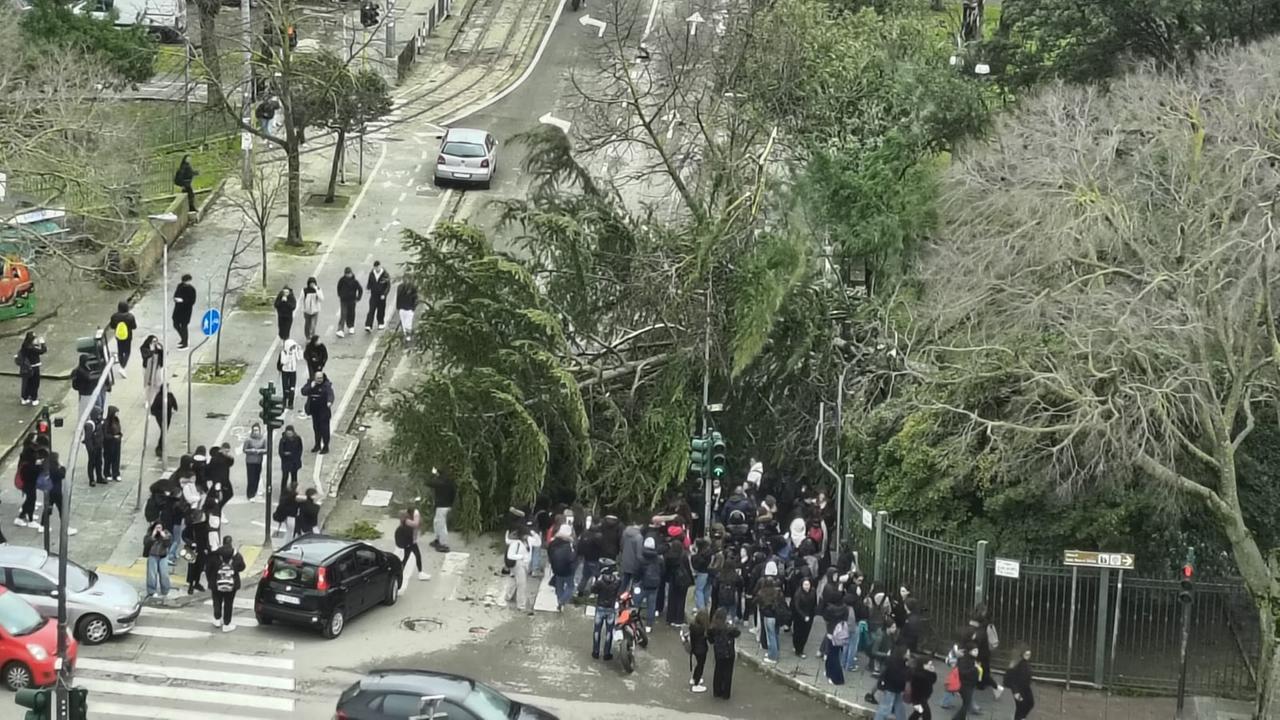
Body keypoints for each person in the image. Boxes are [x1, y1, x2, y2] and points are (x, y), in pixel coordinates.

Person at [206, 536, 246, 632]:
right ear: (231, 543)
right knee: (228, 603)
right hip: (231, 584)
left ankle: (217, 619)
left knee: (217, 600)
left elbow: (208, 569)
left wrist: (210, 580)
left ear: (222, 543)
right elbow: (242, 567)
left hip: (216, 582)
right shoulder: (236, 555)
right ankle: (226, 624)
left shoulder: (215, 555)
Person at [39, 452, 75, 536]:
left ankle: (43, 525)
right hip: (56, 491)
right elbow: (62, 475)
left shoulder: (46, 467)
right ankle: (66, 528)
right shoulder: (55, 468)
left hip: (49, 490)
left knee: (48, 507)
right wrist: (62, 467)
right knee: (62, 509)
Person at [708, 608, 741, 699]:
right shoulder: (729, 628)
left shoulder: (713, 628)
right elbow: (737, 633)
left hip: (718, 652)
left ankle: (717, 691)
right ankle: (726, 693)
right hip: (729, 653)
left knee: (718, 671)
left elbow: (710, 640)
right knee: (728, 673)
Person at [591, 558, 620, 660]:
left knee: (597, 631)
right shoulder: (617, 581)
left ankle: (595, 652)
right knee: (609, 631)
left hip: (600, 608)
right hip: (611, 609)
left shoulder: (600, 581)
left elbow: (593, 590)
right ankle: (607, 653)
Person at [15, 434, 45, 529]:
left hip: (29, 483)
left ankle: (24, 515)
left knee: (30, 499)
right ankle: (28, 519)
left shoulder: (28, 460)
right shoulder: (28, 465)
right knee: (31, 499)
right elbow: (32, 471)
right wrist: (39, 466)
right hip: (29, 483)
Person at [873, 644, 910, 720]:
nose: (909, 654)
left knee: (899, 707)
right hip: (891, 688)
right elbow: (898, 677)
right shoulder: (897, 664)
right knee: (885, 708)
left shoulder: (901, 662)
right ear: (903, 654)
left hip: (896, 689)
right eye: (908, 653)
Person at [504, 520, 533, 615]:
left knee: (515, 581)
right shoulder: (518, 543)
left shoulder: (519, 541)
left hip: (519, 564)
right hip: (519, 564)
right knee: (522, 584)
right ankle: (521, 605)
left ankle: (508, 596)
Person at [300, 372, 334, 453]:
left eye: (321, 378)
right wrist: (310, 387)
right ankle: (317, 445)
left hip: (324, 410)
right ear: (314, 378)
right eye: (318, 378)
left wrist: (329, 402)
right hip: (314, 410)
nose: (319, 380)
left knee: (324, 429)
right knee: (316, 428)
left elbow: (330, 394)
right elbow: (303, 392)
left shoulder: (326, 385)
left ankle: (325, 446)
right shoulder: (311, 384)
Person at [394, 508, 431, 581]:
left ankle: (399, 572)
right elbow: (416, 524)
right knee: (417, 556)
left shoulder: (405, 521)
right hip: (410, 542)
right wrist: (418, 516)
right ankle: (420, 573)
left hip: (409, 542)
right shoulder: (407, 521)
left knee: (407, 558)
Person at [548, 524, 576, 611]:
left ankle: (559, 603)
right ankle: (562, 601)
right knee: (571, 587)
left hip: (556, 568)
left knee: (559, 586)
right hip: (567, 569)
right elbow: (572, 557)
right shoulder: (570, 544)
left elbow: (549, 554)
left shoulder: (552, 542)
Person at [637, 536, 662, 632]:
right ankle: (649, 625)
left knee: (636, 602)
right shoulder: (659, 559)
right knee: (651, 605)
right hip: (654, 584)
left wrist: (637, 580)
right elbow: (662, 571)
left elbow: (638, 571)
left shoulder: (641, 558)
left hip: (643, 583)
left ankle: (636, 620)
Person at [952, 643, 981, 720]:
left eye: (977, 650)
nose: (977, 652)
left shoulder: (972, 659)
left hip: (970, 685)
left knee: (966, 704)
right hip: (965, 686)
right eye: (974, 651)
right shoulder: (965, 660)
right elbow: (963, 672)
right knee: (966, 705)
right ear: (969, 651)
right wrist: (975, 668)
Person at [144, 520, 172, 600]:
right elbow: (146, 543)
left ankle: (165, 590)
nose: (158, 529)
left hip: (163, 556)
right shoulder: (150, 533)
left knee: (164, 574)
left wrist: (164, 537)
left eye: (160, 527)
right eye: (157, 527)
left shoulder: (166, 533)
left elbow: (168, 544)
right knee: (152, 575)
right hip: (153, 555)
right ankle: (151, 591)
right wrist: (152, 536)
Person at [427, 467, 454, 552]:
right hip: (446, 505)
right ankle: (438, 539)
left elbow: (428, 482)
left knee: (441, 525)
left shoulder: (439, 482)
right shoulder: (449, 482)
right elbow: (453, 493)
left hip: (441, 506)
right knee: (437, 523)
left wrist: (432, 474)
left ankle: (443, 544)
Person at [15, 332, 45, 405]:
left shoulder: (24, 346)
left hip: (25, 368)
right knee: (35, 383)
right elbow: (43, 351)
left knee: (26, 383)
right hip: (34, 367)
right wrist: (43, 343)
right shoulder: (32, 349)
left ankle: (24, 397)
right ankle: (34, 398)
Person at [1006, 648, 1035, 720]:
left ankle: (1021, 717)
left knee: (1030, 703)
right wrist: (1016, 692)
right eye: (1026, 654)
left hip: (1026, 688)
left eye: (1029, 654)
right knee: (1020, 707)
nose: (1028, 656)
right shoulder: (1017, 664)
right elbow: (1011, 679)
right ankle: (1019, 718)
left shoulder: (1025, 662)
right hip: (1018, 689)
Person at [108, 300, 138, 369]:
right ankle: (123, 367)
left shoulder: (114, 316)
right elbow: (134, 327)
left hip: (119, 336)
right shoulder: (130, 316)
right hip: (128, 336)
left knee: (120, 351)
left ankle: (121, 365)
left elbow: (112, 326)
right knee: (127, 352)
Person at [241, 424, 267, 500]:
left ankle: (254, 492)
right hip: (250, 461)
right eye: (254, 430)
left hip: (258, 461)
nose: (256, 432)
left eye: (257, 430)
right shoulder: (248, 439)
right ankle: (250, 494)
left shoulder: (263, 439)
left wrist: (259, 451)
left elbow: (266, 449)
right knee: (251, 478)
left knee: (257, 478)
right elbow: (244, 450)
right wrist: (251, 450)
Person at [793, 576, 817, 658]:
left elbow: (814, 603)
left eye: (808, 584)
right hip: (799, 617)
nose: (807, 586)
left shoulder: (813, 591)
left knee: (806, 633)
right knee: (798, 633)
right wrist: (804, 616)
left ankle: (800, 648)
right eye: (805, 584)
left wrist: (814, 613)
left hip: (810, 615)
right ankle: (798, 650)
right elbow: (797, 606)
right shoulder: (798, 593)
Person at [150, 390, 178, 457]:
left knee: (164, 431)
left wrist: (174, 408)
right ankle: (160, 447)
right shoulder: (159, 397)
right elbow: (153, 408)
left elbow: (175, 405)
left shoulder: (169, 395)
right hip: (160, 417)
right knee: (164, 431)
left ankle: (160, 446)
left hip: (167, 417)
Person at [364, 260, 391, 331]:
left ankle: (380, 323)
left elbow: (388, 286)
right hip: (374, 295)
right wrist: (368, 288)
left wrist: (384, 294)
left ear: (380, 266)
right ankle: (368, 325)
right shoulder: (372, 274)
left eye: (378, 267)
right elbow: (369, 282)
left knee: (381, 310)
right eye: (376, 268)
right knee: (371, 309)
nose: (377, 269)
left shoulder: (385, 274)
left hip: (381, 296)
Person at [336, 267, 363, 337]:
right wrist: (340, 295)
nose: (348, 275)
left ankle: (351, 326)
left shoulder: (355, 281)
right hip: (344, 300)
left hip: (352, 300)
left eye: (349, 273)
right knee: (343, 314)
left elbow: (360, 289)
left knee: (351, 313)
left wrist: (358, 298)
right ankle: (340, 329)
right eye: (347, 274)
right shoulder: (342, 280)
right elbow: (338, 288)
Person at [277, 338, 303, 408]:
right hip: (285, 372)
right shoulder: (283, 352)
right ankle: (284, 401)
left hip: (293, 372)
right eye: (292, 347)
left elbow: (300, 358)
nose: (293, 348)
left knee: (292, 388)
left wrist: (299, 350)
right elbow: (283, 361)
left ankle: (291, 403)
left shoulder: (294, 352)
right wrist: (288, 355)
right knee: (285, 387)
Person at [689, 609, 710, 692]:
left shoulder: (693, 626)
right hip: (701, 650)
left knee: (698, 665)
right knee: (700, 666)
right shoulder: (702, 630)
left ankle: (694, 678)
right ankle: (696, 684)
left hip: (694, 649)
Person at [172, 274, 196, 348]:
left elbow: (192, 301)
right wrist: (176, 299)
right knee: (175, 324)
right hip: (178, 309)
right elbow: (176, 294)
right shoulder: (179, 286)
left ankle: (185, 342)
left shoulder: (191, 289)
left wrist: (182, 300)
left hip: (186, 310)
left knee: (184, 326)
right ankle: (183, 338)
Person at [83, 406, 105, 487]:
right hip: (93, 448)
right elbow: (87, 439)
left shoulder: (99, 422)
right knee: (92, 463)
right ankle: (91, 479)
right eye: (99, 414)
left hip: (99, 446)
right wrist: (91, 449)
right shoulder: (90, 425)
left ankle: (99, 477)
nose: (100, 416)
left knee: (99, 462)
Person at [278, 425, 303, 489]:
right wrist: (285, 454)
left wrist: (297, 457)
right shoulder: (283, 440)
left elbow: (300, 449)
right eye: (288, 433)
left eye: (290, 433)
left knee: (294, 478)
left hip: (294, 462)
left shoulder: (297, 439)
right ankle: (283, 492)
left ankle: (293, 492)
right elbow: (280, 451)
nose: (289, 434)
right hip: (286, 462)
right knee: (285, 477)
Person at [141, 335, 164, 402]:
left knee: (157, 384)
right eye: (154, 341)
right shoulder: (144, 348)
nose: (155, 343)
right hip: (147, 368)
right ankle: (147, 400)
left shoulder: (158, 347)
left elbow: (164, 355)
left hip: (157, 368)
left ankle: (156, 399)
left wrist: (161, 350)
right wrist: (152, 351)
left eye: (156, 341)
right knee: (148, 384)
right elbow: (146, 356)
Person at [826, 616, 848, 685]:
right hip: (839, 637)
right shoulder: (845, 609)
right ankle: (829, 673)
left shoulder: (833, 609)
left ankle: (837, 679)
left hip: (834, 636)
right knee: (832, 656)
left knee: (833, 657)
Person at [103, 405, 123, 482]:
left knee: (116, 458)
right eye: (116, 413)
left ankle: (116, 473)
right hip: (109, 444)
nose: (117, 414)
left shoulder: (117, 420)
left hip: (117, 443)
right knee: (108, 459)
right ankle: (107, 473)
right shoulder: (106, 423)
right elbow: (105, 435)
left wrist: (120, 436)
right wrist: (113, 437)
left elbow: (119, 430)